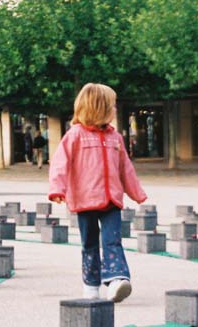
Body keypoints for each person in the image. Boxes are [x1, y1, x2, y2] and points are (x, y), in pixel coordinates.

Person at [48, 83, 147, 303]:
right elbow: (60, 163)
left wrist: (136, 192)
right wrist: (57, 188)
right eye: (111, 106)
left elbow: (125, 168)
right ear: (97, 108)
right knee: (89, 244)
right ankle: (91, 284)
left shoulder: (116, 138)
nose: (115, 110)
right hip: (85, 200)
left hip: (111, 199)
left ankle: (116, 280)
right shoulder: (75, 135)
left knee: (113, 240)